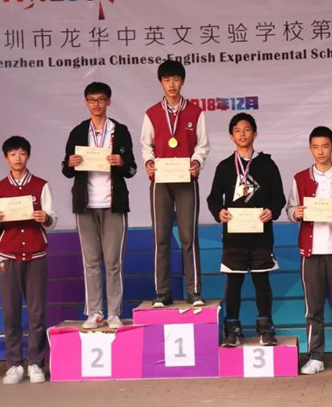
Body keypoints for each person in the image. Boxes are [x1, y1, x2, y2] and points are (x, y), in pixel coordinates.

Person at [62, 82, 137, 329]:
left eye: (101, 99)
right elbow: (66, 169)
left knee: (113, 262)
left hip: (113, 204)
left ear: (109, 102)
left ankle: (114, 312)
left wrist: (121, 162)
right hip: (85, 205)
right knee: (91, 262)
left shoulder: (120, 131)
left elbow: (132, 169)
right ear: (86, 102)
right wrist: (70, 163)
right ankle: (94, 312)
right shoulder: (77, 132)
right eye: (92, 100)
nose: (97, 104)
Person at [286, 126, 332, 375]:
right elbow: (290, 209)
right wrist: (296, 213)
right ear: (310, 149)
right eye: (316, 147)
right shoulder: (300, 178)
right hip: (310, 253)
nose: (320, 151)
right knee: (313, 309)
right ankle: (315, 356)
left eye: (325, 146)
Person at [207, 113, 285, 346]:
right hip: (234, 238)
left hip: (261, 236)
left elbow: (278, 197)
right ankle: (232, 330)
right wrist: (219, 212)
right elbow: (213, 198)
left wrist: (272, 210)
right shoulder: (224, 167)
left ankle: (266, 330)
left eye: (247, 129)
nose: (242, 134)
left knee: (262, 282)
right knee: (234, 284)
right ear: (231, 137)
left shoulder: (267, 165)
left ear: (255, 133)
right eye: (237, 131)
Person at [0, 136, 57, 384]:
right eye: (13, 154)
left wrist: (45, 217)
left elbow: (52, 219)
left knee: (37, 312)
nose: (18, 158)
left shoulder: (41, 185)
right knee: (11, 312)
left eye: (22, 153)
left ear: (28, 156)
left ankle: (36, 363)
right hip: (9, 256)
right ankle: (14, 364)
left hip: (37, 255)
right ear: (6, 158)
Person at [141, 59, 209, 307]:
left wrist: (197, 161)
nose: (171, 84)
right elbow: (146, 145)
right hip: (160, 182)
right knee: (161, 237)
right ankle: (162, 292)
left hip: (186, 180)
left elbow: (202, 144)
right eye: (167, 80)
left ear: (183, 81)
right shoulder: (151, 113)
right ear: (161, 82)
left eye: (176, 79)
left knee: (188, 236)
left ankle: (194, 291)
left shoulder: (195, 112)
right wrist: (149, 162)